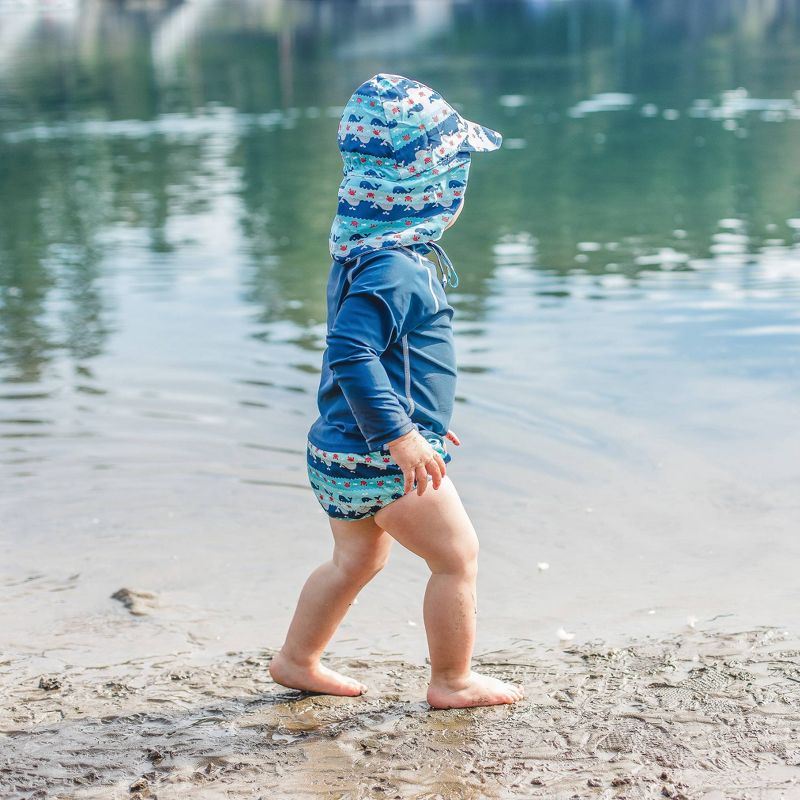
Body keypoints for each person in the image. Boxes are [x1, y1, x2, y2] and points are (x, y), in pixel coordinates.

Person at [269, 73, 524, 709]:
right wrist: (403, 435)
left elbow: (387, 360)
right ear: (428, 189)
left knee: (355, 560)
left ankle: (297, 659)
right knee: (456, 558)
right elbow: (351, 355)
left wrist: (423, 419)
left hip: (338, 451)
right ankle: (452, 680)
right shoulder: (396, 267)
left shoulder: (359, 255)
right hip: (382, 457)